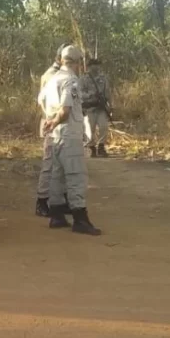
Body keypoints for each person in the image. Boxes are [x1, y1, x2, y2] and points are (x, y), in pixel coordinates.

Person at [42, 45, 102, 235]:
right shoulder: (71, 81)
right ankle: (79, 218)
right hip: (69, 133)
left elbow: (41, 100)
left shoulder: (52, 79)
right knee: (76, 175)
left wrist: (50, 121)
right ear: (78, 62)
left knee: (57, 175)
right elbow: (66, 110)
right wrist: (56, 121)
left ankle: (57, 215)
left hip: (56, 135)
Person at [35, 45, 65, 217]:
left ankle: (59, 200)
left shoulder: (59, 74)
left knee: (61, 165)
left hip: (59, 124)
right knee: (49, 164)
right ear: (60, 58)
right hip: (52, 123)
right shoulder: (51, 75)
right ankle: (42, 200)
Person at [80, 58, 111, 157]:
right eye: (94, 65)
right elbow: (80, 93)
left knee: (103, 127)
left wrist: (110, 105)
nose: (96, 67)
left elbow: (107, 92)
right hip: (89, 107)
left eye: (97, 65)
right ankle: (91, 147)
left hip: (101, 108)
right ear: (89, 66)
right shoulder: (83, 79)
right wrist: (91, 95)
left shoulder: (103, 78)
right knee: (90, 129)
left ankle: (101, 146)